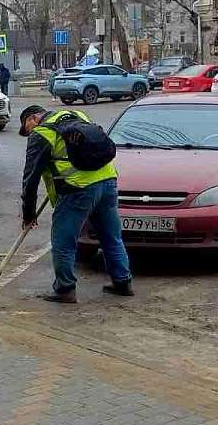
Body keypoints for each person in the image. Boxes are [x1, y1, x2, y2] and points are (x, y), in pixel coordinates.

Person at [19, 104, 133, 303]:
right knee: (111, 236)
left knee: (63, 242)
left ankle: (65, 289)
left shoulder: (41, 133)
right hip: (107, 180)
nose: (28, 133)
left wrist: (29, 214)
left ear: (32, 119)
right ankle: (123, 282)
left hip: (77, 190)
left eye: (26, 128)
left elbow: (30, 178)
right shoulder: (76, 115)